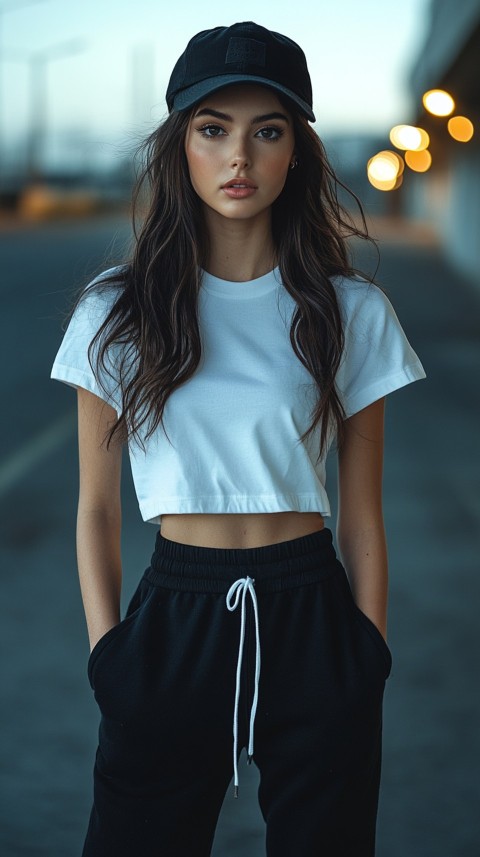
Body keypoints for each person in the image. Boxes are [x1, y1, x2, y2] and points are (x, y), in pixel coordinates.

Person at [51, 21, 426, 857]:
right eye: (213, 129)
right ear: (179, 144)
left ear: (297, 150)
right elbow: (97, 507)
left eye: (268, 131)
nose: (239, 158)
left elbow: (363, 514)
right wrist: (108, 657)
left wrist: (367, 655)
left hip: (314, 614)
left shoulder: (350, 312)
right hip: (174, 614)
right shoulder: (116, 313)